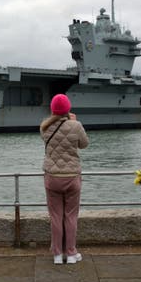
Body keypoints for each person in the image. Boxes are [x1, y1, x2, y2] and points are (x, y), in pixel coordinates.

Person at [40, 94, 89, 265]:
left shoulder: (44, 127)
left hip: (52, 177)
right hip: (72, 177)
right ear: (68, 109)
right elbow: (84, 144)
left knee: (55, 216)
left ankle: (57, 255)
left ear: (52, 109)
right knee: (70, 216)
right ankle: (71, 254)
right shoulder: (76, 125)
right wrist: (74, 121)